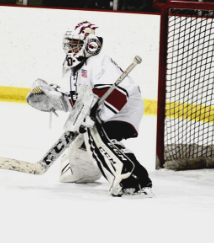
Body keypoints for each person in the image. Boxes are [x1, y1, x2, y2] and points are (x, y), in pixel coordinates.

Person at [26, 21, 153, 197]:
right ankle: (83, 174)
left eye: (75, 44)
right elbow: (78, 100)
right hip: (107, 110)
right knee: (82, 146)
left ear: (91, 44)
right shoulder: (75, 68)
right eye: (69, 43)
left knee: (98, 138)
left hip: (124, 110)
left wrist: (96, 115)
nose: (70, 48)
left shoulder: (100, 61)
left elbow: (118, 95)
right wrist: (57, 99)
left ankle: (134, 180)